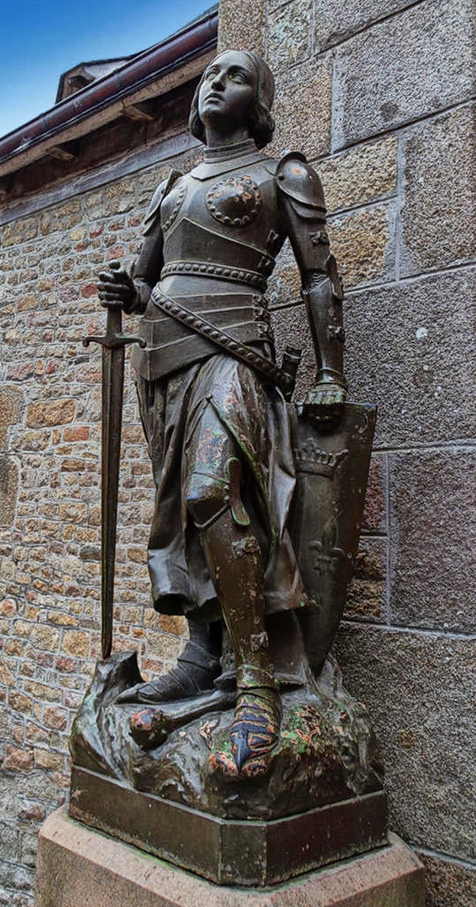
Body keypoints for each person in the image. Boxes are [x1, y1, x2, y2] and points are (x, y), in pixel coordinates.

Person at [97, 50, 346, 776]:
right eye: (208, 75)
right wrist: (122, 288)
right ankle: (202, 654)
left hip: (236, 349)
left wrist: (330, 374)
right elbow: (142, 281)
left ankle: (256, 681)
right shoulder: (172, 187)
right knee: (179, 511)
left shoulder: (283, 175)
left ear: (259, 97)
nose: (214, 82)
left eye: (233, 75)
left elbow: (318, 277)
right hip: (163, 359)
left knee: (214, 492)